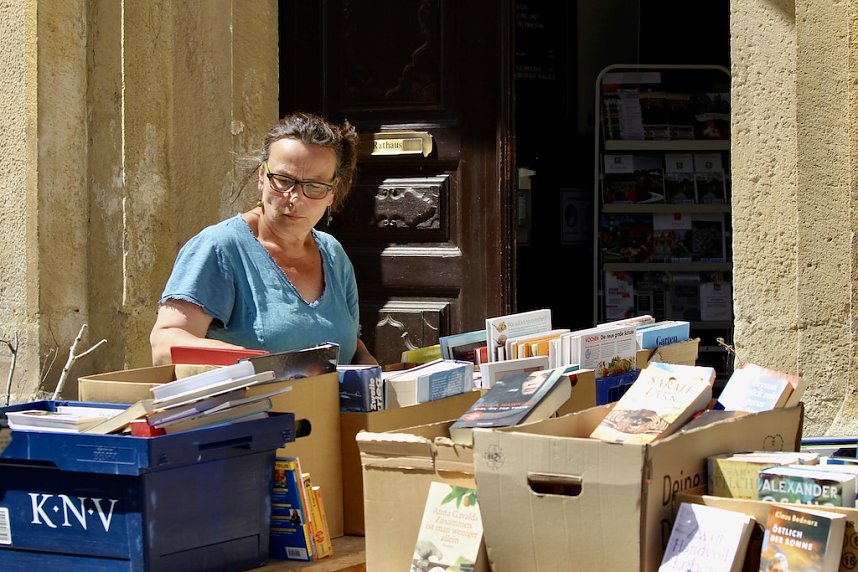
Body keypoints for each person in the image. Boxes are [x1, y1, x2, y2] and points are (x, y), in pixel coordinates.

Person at [149, 111, 378, 367]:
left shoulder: (333, 253)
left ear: (332, 192)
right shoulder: (220, 248)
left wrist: (372, 372)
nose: (295, 198)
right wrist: (251, 365)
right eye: (284, 180)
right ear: (262, 176)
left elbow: (350, 344)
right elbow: (164, 344)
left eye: (314, 186)